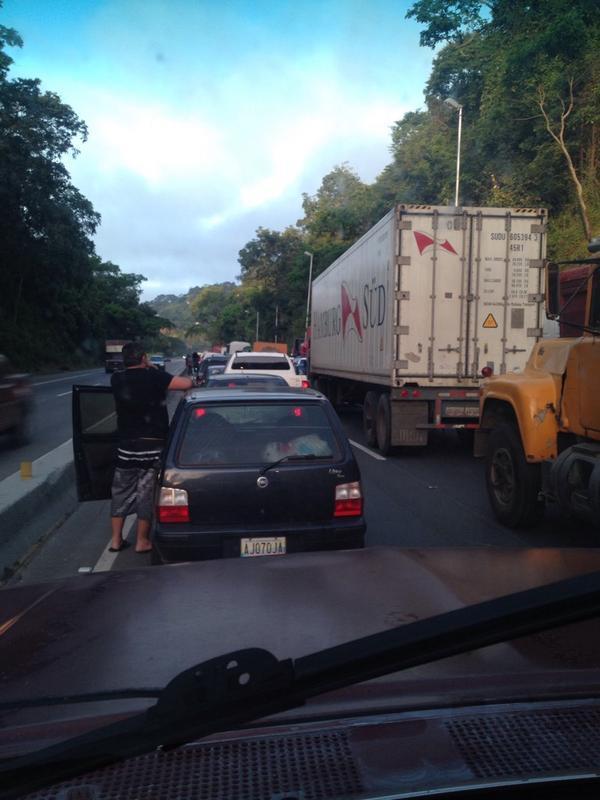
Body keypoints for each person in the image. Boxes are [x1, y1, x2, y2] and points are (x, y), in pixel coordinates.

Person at [109, 342, 193, 553]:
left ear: (124, 359)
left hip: (126, 445)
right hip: (152, 444)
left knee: (120, 491)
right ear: (144, 358)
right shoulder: (154, 377)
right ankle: (142, 541)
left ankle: (116, 541)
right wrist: (153, 369)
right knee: (146, 493)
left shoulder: (116, 379)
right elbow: (186, 383)